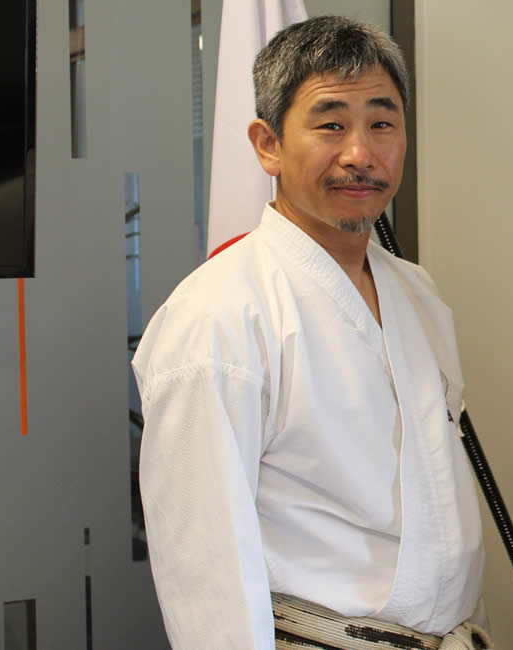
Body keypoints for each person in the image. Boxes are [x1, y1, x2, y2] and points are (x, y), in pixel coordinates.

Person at [132, 17, 489, 649]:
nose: (361, 153)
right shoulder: (219, 314)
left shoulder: (417, 293)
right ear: (267, 144)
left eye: (382, 123)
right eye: (330, 124)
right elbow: (204, 567)